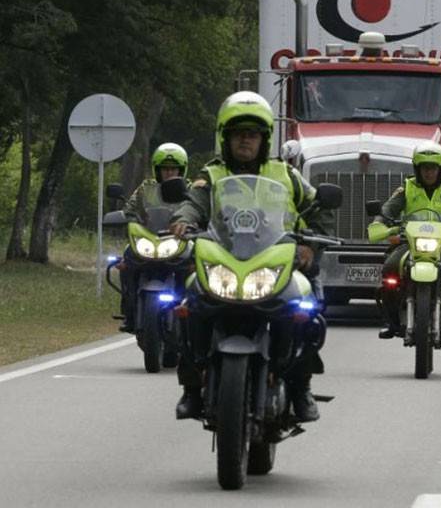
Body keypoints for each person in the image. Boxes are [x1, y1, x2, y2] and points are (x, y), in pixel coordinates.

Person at [169, 91, 330, 422]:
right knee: (188, 302)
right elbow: (193, 203)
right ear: (225, 138)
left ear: (264, 139)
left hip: (278, 259)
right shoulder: (211, 175)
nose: (245, 140)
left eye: (252, 134)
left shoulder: (286, 174)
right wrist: (183, 220)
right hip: (224, 260)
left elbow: (319, 209)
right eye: (238, 133)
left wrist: (309, 248)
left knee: (306, 308)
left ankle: (300, 387)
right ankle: (191, 387)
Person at [374, 141, 441, 348]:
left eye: (433, 168)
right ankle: (392, 322)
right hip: (409, 243)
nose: (429, 172)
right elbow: (388, 210)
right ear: (418, 168)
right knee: (390, 269)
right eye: (425, 168)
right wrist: (379, 223)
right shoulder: (407, 188)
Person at [117, 143, 189, 333]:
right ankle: (128, 311)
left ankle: (192, 310)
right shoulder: (146, 188)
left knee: (196, 264)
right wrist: (128, 217)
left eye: (173, 169)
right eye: (165, 169)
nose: (169, 173)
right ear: (157, 170)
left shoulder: (189, 189)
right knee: (126, 259)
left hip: (178, 240)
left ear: (181, 170)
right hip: (149, 239)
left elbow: (200, 210)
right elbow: (130, 209)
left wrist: (197, 223)